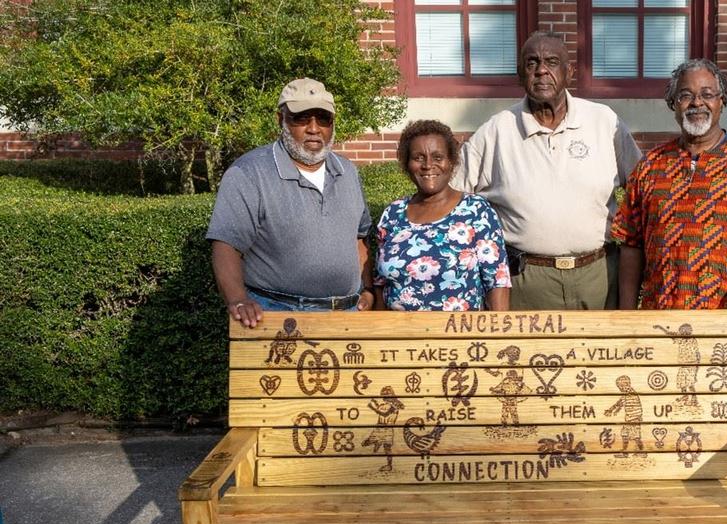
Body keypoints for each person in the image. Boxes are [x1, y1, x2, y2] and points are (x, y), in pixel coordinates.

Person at [452, 31, 642, 310]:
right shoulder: (496, 131)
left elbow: (644, 189)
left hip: (598, 276)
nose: (541, 70)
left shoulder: (604, 122)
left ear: (569, 72)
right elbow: (450, 198)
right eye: (532, 63)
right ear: (520, 74)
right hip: (525, 281)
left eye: (552, 62)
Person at [611, 59, 727, 310]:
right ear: (673, 104)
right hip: (659, 318)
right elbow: (631, 244)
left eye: (707, 94)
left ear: (722, 101)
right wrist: (627, 314)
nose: (697, 103)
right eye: (685, 95)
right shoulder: (651, 166)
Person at [207, 78, 373, 327]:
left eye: (323, 119)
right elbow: (226, 245)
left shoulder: (347, 171)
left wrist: (368, 289)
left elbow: (359, 238)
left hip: (347, 315)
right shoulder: (249, 172)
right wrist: (238, 300)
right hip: (278, 316)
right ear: (280, 120)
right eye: (301, 118)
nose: (314, 128)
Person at [373, 120, 510, 311]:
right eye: (418, 158)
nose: (428, 165)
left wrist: (498, 328)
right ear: (407, 163)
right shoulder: (393, 213)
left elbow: (497, 282)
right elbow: (380, 283)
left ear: (451, 161)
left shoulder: (476, 211)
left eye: (438, 157)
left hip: (458, 329)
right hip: (398, 329)